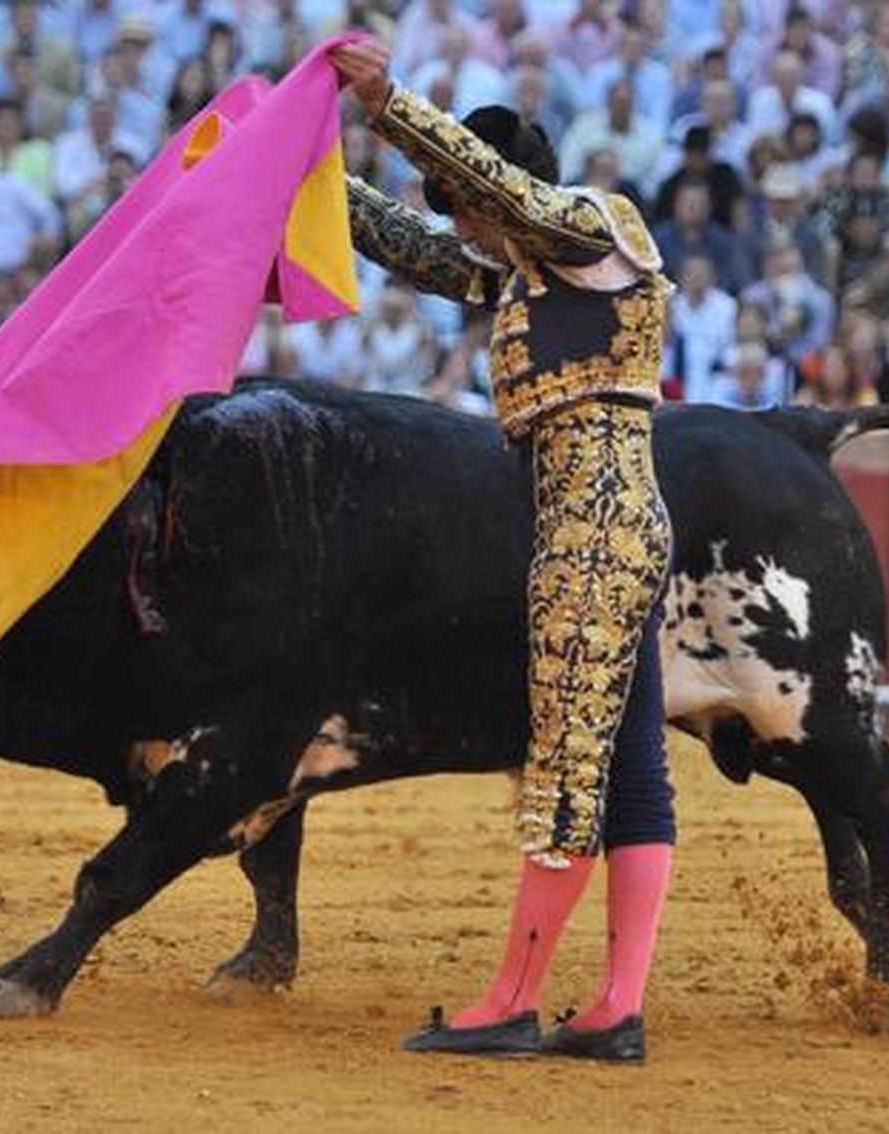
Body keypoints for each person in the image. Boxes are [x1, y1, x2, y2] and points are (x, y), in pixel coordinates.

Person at [331, 38, 674, 1063]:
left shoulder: (593, 224)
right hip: (606, 522)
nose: (462, 226)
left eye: (466, 203)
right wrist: (308, 164)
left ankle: (515, 1001)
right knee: (629, 767)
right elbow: (401, 241)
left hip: (593, 524)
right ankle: (615, 1007)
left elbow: (506, 199)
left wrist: (389, 104)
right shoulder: (527, 274)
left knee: (566, 765)